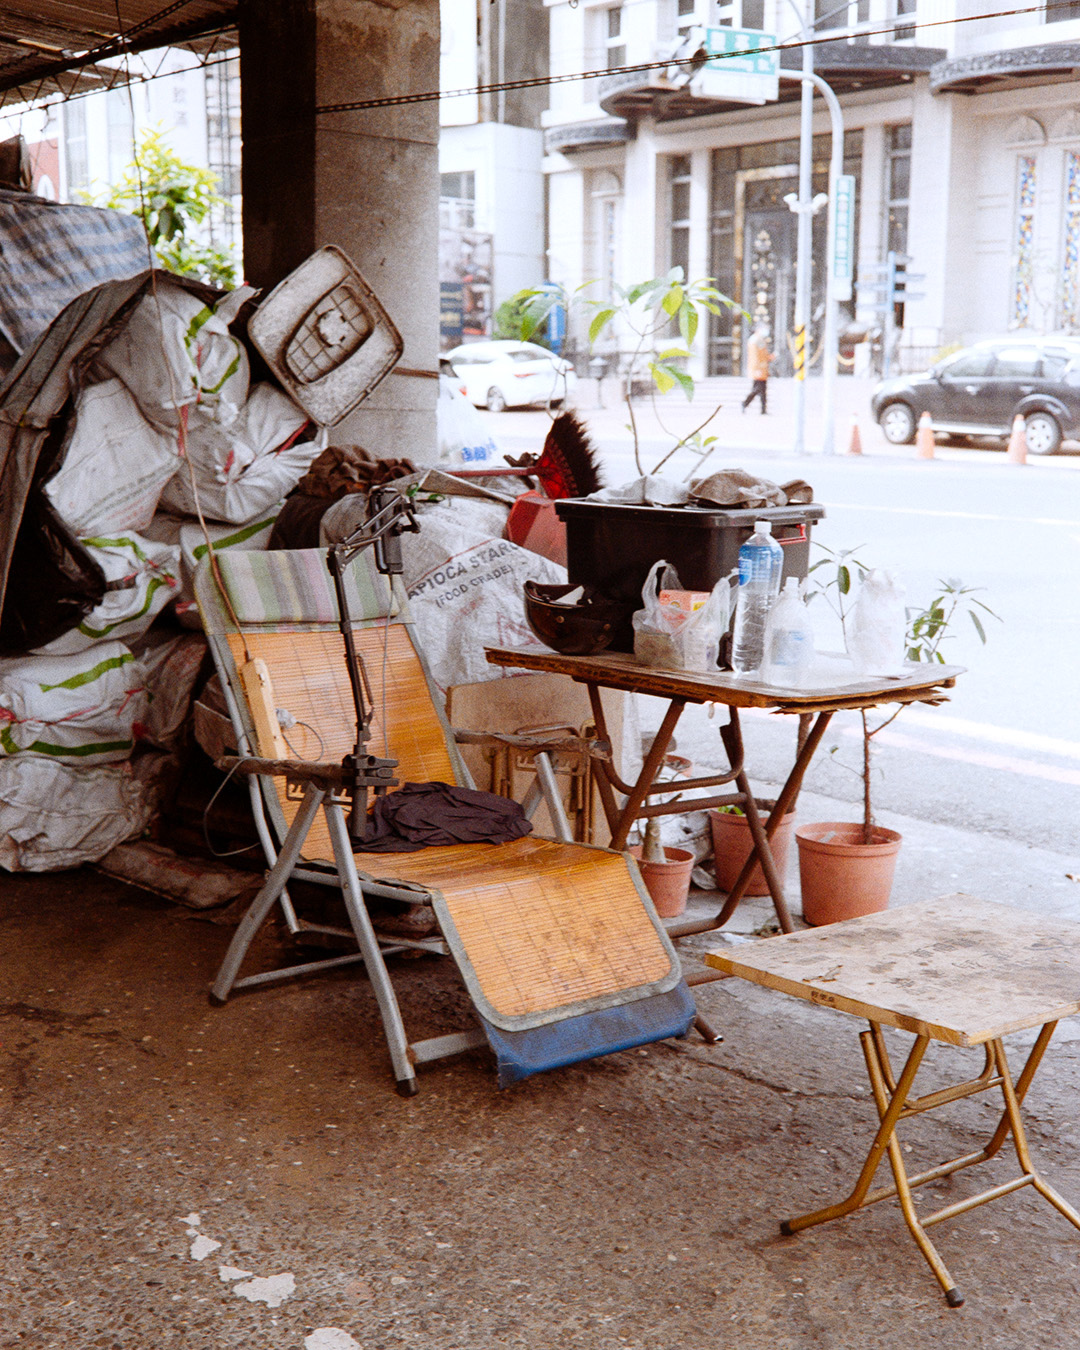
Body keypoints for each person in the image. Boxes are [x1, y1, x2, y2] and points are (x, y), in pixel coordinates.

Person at [741, 325, 775, 415]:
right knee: (758, 389)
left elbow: (763, 354)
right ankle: (745, 403)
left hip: (760, 369)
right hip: (759, 369)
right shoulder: (756, 340)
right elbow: (758, 356)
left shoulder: (758, 339)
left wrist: (769, 357)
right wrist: (760, 367)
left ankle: (762, 409)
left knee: (762, 390)